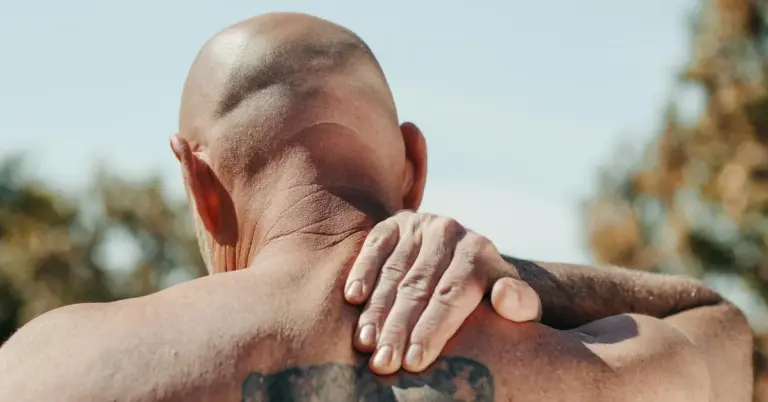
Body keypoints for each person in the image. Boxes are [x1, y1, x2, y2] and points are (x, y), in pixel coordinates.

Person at [0, 12, 752, 401]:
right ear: (414, 164)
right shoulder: (611, 372)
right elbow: (717, 322)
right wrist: (520, 279)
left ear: (199, 182)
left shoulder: (53, 366)